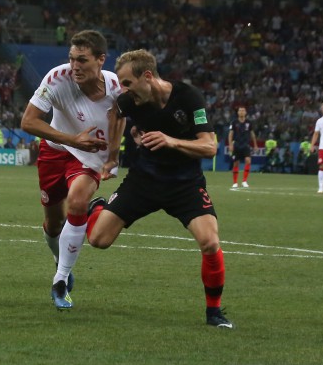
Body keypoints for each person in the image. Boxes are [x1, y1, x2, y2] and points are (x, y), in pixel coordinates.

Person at [85, 49, 232, 328]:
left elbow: (210, 146)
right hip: (143, 181)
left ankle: (214, 313)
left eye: (127, 83)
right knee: (98, 240)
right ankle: (98, 208)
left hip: (185, 184)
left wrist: (171, 140)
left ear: (147, 76)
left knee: (210, 242)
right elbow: (116, 115)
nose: (123, 89)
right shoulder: (129, 101)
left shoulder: (188, 97)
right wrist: (113, 156)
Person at [20, 29, 123, 310]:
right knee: (53, 224)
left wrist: (113, 156)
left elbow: (120, 116)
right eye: (72, 58)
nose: (74, 66)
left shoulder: (116, 87)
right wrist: (72, 139)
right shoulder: (56, 78)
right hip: (55, 151)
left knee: (77, 202)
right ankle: (61, 260)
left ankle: (60, 280)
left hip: (89, 155)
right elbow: (28, 122)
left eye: (82, 60)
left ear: (101, 60)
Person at [228, 106, 256, 189]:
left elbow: (252, 134)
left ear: (245, 112)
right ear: (238, 112)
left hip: (246, 145)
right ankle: (235, 182)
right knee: (236, 163)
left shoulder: (249, 122)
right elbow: (230, 134)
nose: (241, 112)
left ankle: (244, 181)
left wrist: (255, 144)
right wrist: (230, 144)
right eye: (240, 110)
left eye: (243, 110)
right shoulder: (234, 122)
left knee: (248, 160)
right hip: (237, 144)